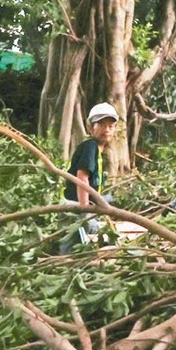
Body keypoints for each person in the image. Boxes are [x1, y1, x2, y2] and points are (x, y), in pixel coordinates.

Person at [61, 102, 118, 250]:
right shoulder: (90, 147)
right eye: (101, 125)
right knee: (73, 248)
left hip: (78, 206)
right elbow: (82, 177)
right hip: (74, 208)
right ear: (90, 128)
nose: (106, 129)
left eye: (110, 126)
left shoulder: (96, 150)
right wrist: (85, 210)